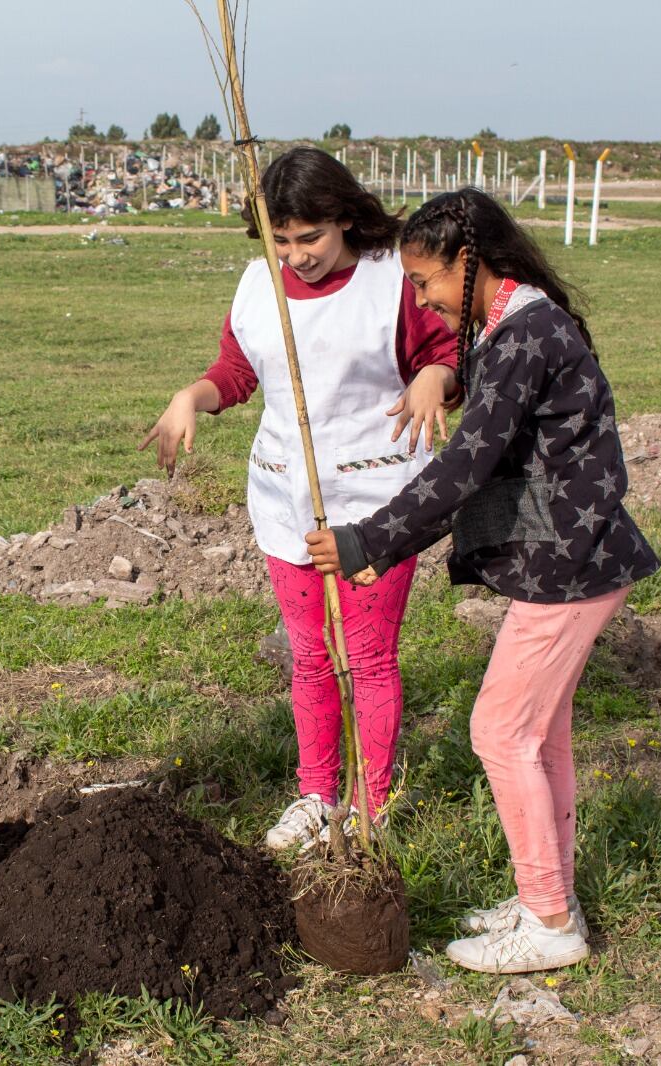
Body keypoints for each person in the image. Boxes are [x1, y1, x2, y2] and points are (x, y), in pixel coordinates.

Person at [304, 188, 660, 974]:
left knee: (498, 732)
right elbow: (489, 422)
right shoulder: (515, 325)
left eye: (427, 282)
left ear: (472, 264)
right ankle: (548, 897)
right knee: (541, 736)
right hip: (573, 557)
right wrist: (444, 380)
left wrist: (369, 539)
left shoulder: (527, 332)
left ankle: (549, 924)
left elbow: (466, 467)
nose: (424, 298)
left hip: (573, 565)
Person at [141, 146, 459, 850]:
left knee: (369, 658)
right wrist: (190, 398)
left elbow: (444, 353)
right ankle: (316, 794)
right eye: (281, 241)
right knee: (311, 656)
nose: (298, 255)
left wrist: (435, 377)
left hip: (378, 500)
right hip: (284, 497)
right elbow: (236, 369)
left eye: (310, 237)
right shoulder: (260, 284)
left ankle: (370, 806)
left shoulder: (389, 280)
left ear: (345, 218)